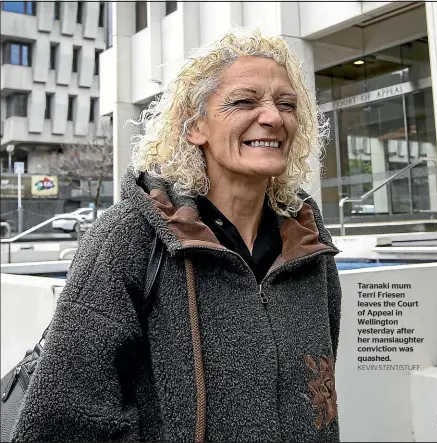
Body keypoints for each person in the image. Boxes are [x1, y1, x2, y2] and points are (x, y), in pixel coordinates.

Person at [11, 29, 342, 442]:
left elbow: (321, 391)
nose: (274, 117)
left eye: (287, 104)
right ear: (193, 125)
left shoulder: (308, 237)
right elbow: (61, 418)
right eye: (244, 101)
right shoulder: (129, 236)